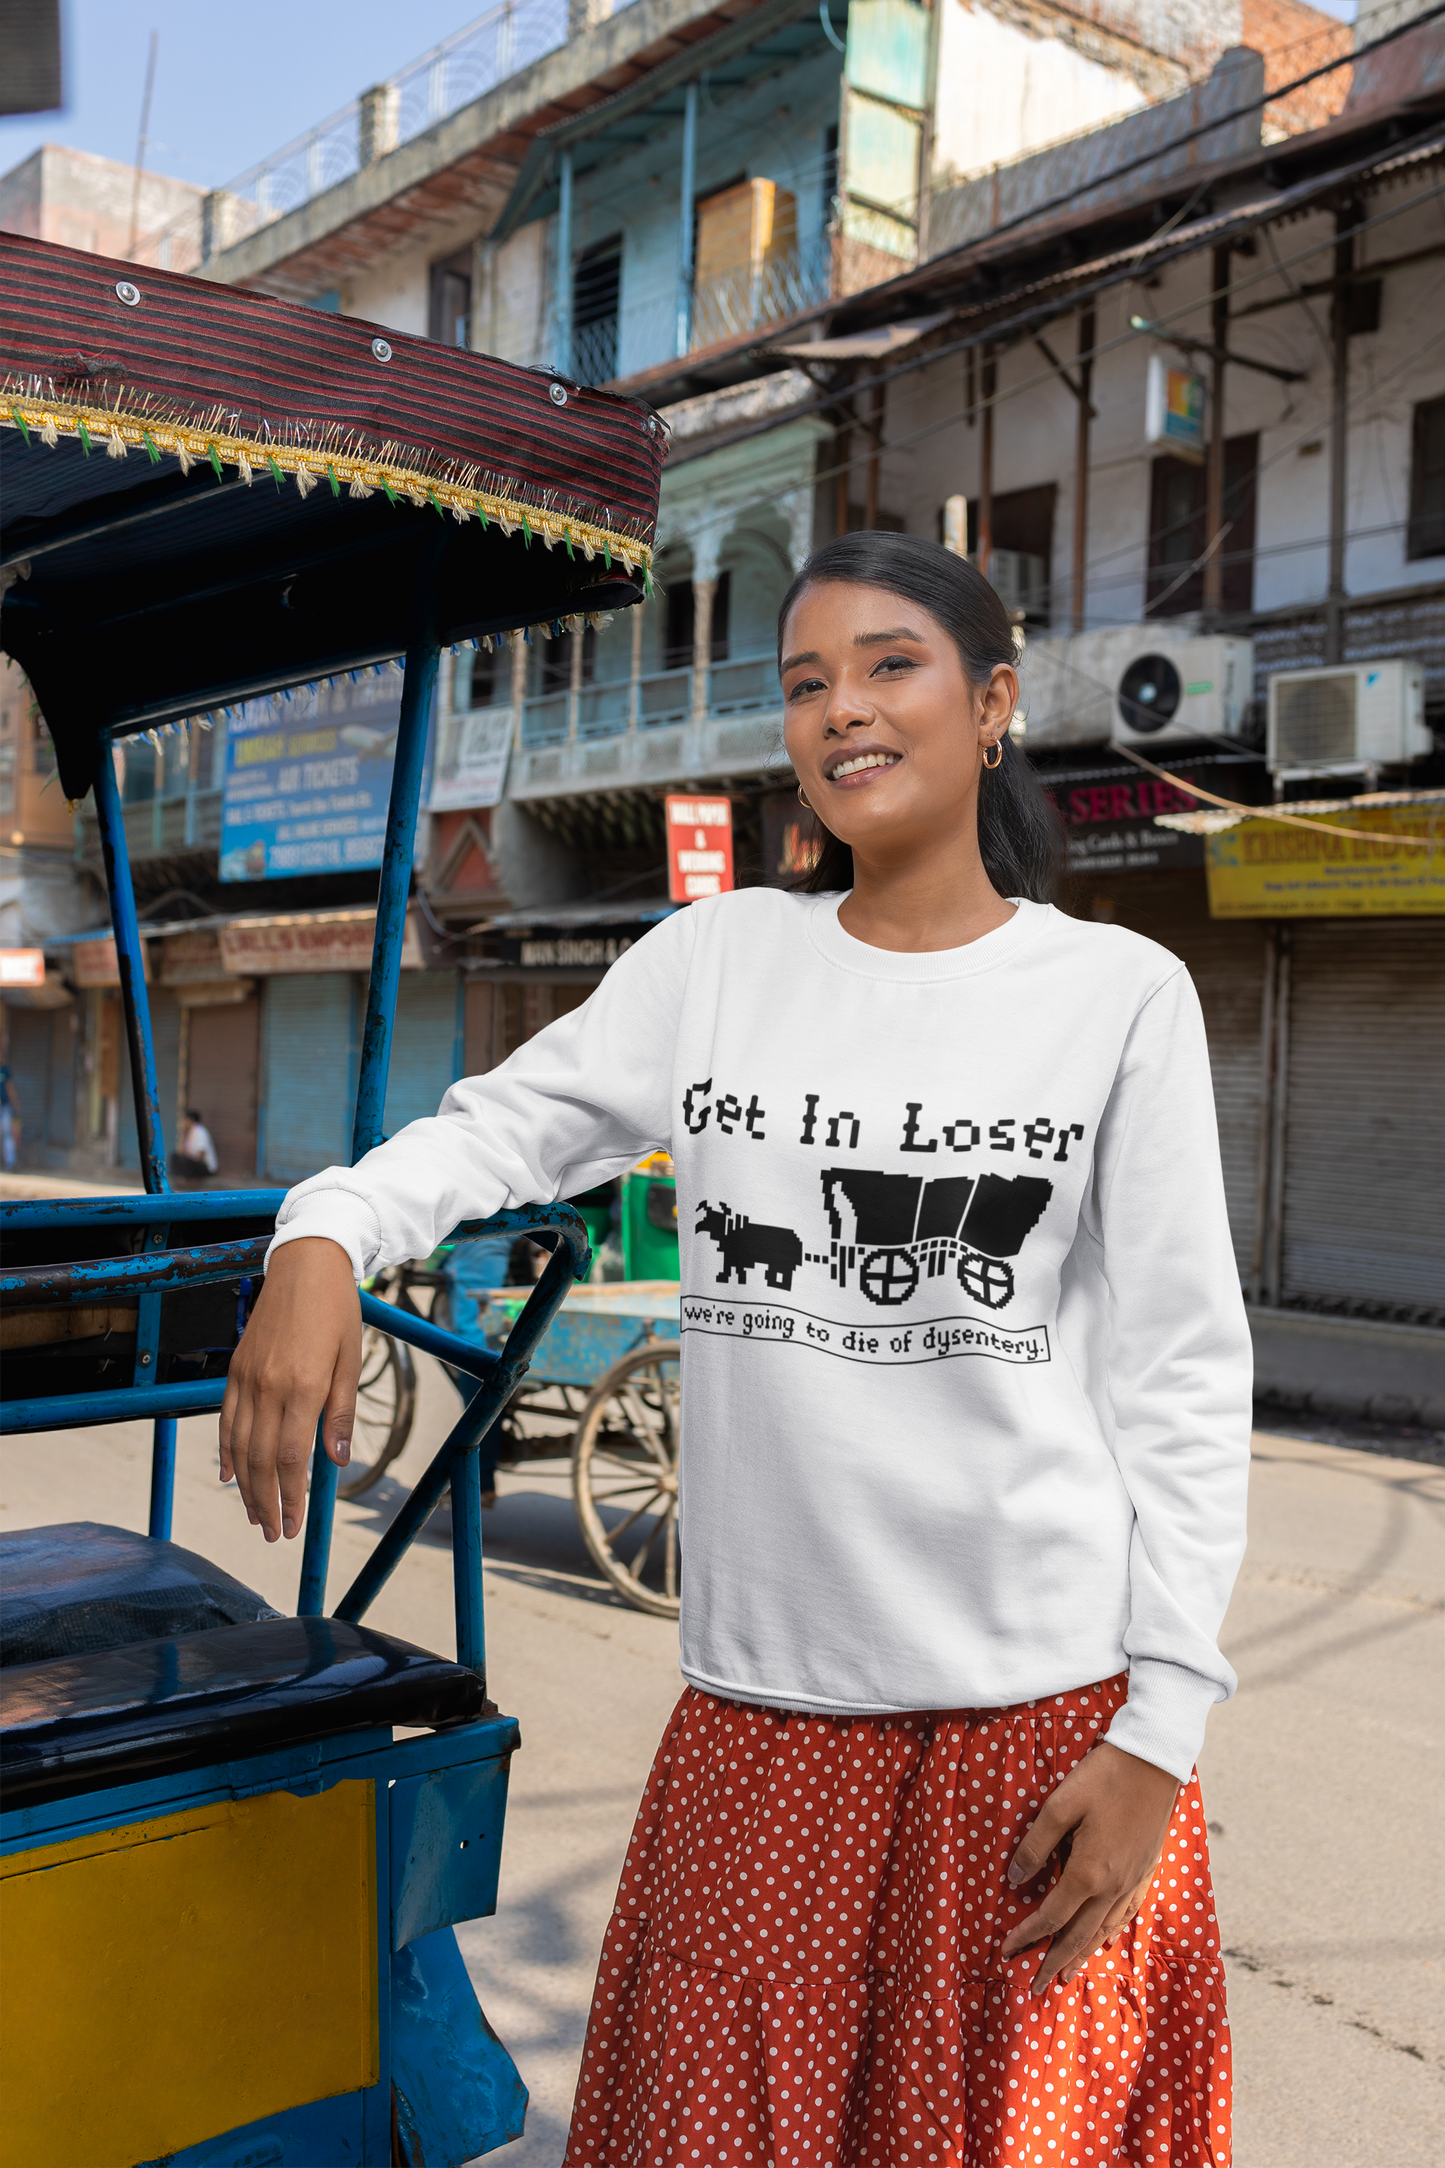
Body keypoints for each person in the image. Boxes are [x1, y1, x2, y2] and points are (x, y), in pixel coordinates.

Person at [221, 532, 1250, 2166]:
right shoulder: (718, 962)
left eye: (891, 665)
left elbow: (1184, 1382)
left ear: (992, 704)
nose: (843, 706)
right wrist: (323, 1231)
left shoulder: (1119, 995)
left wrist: (1157, 1736)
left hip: (1042, 1726)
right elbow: (511, 1125)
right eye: (805, 680)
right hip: (763, 1724)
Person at [174, 1107, 218, 1181]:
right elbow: (181, 1152)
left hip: (206, 1167)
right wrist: (183, 1134)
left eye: (185, 1119)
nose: (183, 1122)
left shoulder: (200, 1131)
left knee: (185, 1161)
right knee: (175, 1156)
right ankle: (181, 1179)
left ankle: (188, 1180)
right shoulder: (190, 1132)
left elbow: (201, 1154)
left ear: (190, 1120)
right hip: (194, 1163)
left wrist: (190, 1166)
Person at [0, 1060, 18, 1172]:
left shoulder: (5, 1070)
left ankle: (11, 1163)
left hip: (5, 1107)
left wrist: (15, 1103)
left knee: (7, 1134)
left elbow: (10, 1087)